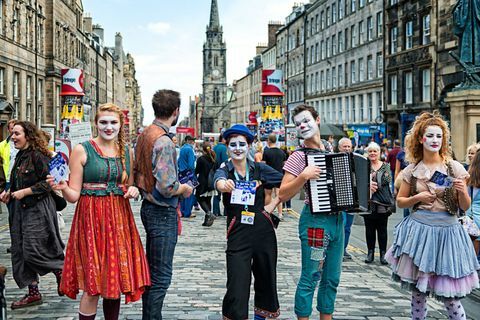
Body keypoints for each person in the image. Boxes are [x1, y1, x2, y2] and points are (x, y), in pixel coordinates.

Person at [49, 104, 150, 319]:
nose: (108, 127)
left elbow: (130, 185)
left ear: (120, 125)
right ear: (96, 124)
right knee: (93, 284)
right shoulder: (82, 149)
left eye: (113, 122)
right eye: (103, 122)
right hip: (91, 219)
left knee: (114, 280)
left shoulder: (126, 151)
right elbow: (74, 196)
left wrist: (133, 189)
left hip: (119, 219)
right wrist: (62, 186)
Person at [386, 111, 479, 320]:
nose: (435, 140)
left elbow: (465, 206)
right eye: (430, 135)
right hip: (420, 231)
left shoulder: (454, 167)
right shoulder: (412, 170)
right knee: (418, 294)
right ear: (420, 139)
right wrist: (416, 198)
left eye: (439, 136)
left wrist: (462, 191)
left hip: (448, 232)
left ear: (443, 139)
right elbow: (400, 201)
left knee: (451, 297)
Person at [279, 104, 343, 320]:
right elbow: (283, 194)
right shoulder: (299, 156)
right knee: (311, 275)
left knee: (332, 277)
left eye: (306, 120)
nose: (303, 126)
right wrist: (303, 176)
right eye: (298, 124)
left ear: (317, 119)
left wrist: (361, 188)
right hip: (315, 221)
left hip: (337, 220)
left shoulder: (328, 148)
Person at [134, 89, 193, 320]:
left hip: (148, 208)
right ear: (176, 111)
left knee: (154, 272)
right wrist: (185, 189)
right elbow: (167, 186)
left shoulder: (146, 133)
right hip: (162, 211)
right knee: (161, 275)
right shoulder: (164, 141)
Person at [214, 124, 283, 320]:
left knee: (266, 278)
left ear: (249, 146)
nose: (237, 148)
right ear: (227, 147)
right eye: (233, 144)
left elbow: (286, 181)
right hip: (238, 231)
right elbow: (217, 182)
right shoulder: (225, 170)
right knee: (237, 283)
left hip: (263, 230)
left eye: (242, 144)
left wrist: (273, 205)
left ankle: (262, 316)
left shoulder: (260, 169)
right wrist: (224, 185)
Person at [0, 121, 64, 309]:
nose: (13, 137)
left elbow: (50, 183)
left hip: (38, 209)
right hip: (20, 210)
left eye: (17, 134)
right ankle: (33, 293)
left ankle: (61, 271)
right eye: (12, 133)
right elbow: (16, 180)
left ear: (28, 135)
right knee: (19, 252)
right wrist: (8, 191)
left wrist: (26, 192)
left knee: (33, 249)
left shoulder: (39, 156)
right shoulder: (20, 155)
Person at [363, 142, 393, 265]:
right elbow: (360, 179)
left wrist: (372, 178)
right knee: (369, 229)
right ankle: (370, 253)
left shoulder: (385, 165)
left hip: (382, 203)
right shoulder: (364, 165)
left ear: (379, 153)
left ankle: (382, 254)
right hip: (368, 202)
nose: (372, 153)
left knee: (382, 229)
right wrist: (370, 183)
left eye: (375, 151)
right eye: (370, 151)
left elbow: (387, 179)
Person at [338, 137, 354, 260]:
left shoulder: (355, 160)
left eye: (349, 146)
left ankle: (343, 248)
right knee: (342, 224)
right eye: (345, 146)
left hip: (352, 198)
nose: (347, 149)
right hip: (339, 198)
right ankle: (338, 249)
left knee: (348, 226)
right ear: (339, 148)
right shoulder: (334, 159)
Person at [262, 134, 286, 219]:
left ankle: (268, 212)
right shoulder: (281, 152)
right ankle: (280, 214)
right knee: (278, 195)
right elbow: (285, 165)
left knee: (268, 194)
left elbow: (263, 165)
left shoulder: (266, 152)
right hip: (279, 175)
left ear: (268, 141)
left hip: (268, 176)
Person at [195, 142, 216, 227]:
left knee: (199, 198)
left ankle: (209, 213)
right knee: (208, 200)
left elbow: (197, 171)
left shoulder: (201, 159)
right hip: (211, 182)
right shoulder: (214, 158)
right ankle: (207, 221)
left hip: (203, 182)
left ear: (203, 149)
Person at [178, 135, 196, 218]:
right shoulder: (190, 149)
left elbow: (178, 161)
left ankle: (182, 211)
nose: (193, 142)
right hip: (189, 173)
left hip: (182, 173)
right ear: (189, 140)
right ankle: (187, 212)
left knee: (182, 192)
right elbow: (191, 164)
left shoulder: (182, 149)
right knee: (189, 192)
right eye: (192, 140)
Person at [467, 150, 480, 259]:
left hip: (474, 221)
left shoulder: (470, 177)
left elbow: (467, 201)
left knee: (472, 260)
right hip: (475, 220)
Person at [213, 131, 228, 217]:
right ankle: (226, 211)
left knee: (216, 195)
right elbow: (225, 161)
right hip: (223, 172)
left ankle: (216, 211)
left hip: (215, 172)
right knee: (226, 193)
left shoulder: (215, 147)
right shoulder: (224, 148)